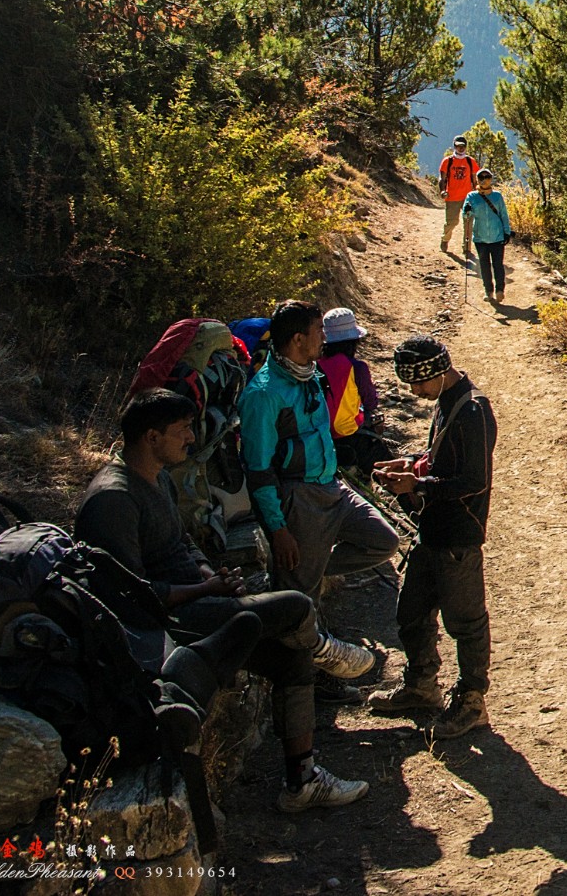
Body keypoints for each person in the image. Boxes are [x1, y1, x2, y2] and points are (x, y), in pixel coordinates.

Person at [76, 389, 369, 812]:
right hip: (163, 626)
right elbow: (130, 596)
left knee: (290, 660)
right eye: (182, 432)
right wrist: (204, 591)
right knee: (294, 606)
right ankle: (323, 647)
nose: (192, 439)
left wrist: (209, 575)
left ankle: (301, 781)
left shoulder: (157, 477)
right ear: (151, 436)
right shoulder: (113, 499)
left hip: (197, 601)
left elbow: (180, 544)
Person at [239, 299, 399, 697]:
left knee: (384, 539)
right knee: (300, 598)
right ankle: (310, 681)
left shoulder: (309, 375)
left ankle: (310, 567)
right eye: (318, 332)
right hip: (300, 497)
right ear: (298, 339)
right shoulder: (264, 394)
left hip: (331, 487)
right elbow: (258, 469)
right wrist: (278, 529)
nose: (324, 339)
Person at [368, 336, 496, 740]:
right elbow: (442, 460)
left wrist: (417, 485)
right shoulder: (448, 402)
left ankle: (472, 701)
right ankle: (422, 686)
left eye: (418, 383)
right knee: (412, 612)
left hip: (458, 534)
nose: (414, 392)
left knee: (466, 622)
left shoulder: (472, 410)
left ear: (437, 373)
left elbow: (474, 480)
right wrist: (409, 466)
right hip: (433, 531)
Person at [317, 307, 390, 474]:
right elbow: (371, 402)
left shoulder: (313, 365)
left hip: (319, 437)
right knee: (388, 468)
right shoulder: (357, 368)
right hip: (350, 436)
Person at [461, 169, 513, 304]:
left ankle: (499, 290)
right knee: (484, 265)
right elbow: (466, 216)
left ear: (491, 179)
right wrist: (467, 211)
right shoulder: (471, 197)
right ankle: (488, 291)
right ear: (477, 180)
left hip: (497, 236)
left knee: (498, 264)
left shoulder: (497, 196)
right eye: (481, 177)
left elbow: (504, 215)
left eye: (487, 176)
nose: (484, 179)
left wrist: (507, 232)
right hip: (480, 237)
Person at [437, 136, 481, 258]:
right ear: (454, 146)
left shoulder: (470, 161)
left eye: (463, 146)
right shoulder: (447, 161)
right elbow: (442, 178)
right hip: (452, 197)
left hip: (468, 198)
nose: (460, 148)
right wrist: (442, 191)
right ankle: (445, 239)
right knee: (452, 222)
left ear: (466, 147)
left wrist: (478, 191)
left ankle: (466, 249)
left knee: (468, 223)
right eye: (458, 146)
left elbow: (475, 178)